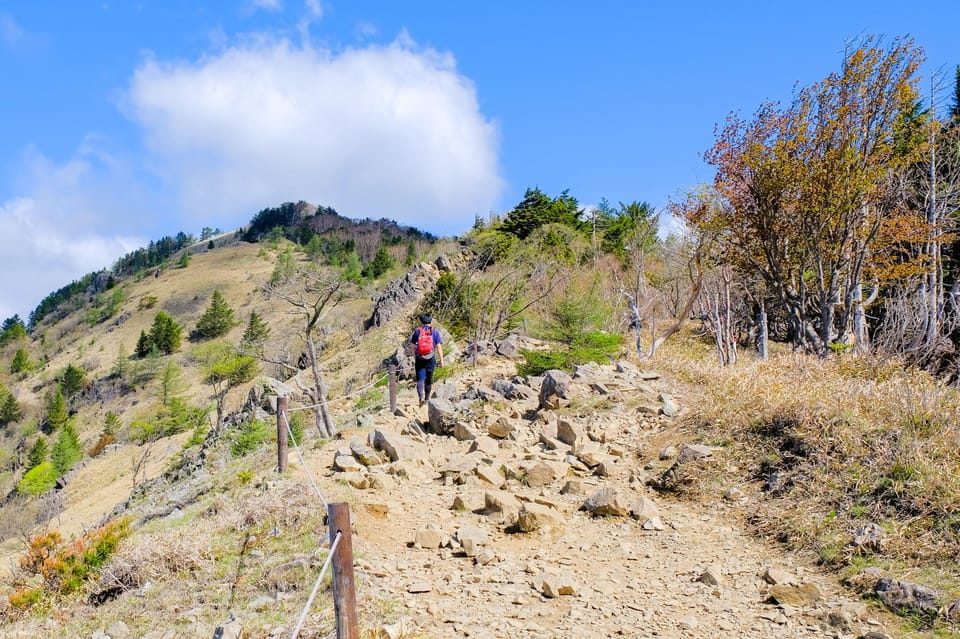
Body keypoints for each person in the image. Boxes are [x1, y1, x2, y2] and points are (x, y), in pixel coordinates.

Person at [411, 313, 443, 406]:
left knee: (420, 379)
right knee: (428, 380)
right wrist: (441, 360)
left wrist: (416, 355)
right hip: (431, 358)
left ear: (421, 321)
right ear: (430, 321)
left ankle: (421, 396)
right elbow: (439, 347)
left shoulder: (417, 332)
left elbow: (412, 347)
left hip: (420, 358)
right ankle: (427, 399)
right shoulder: (435, 332)